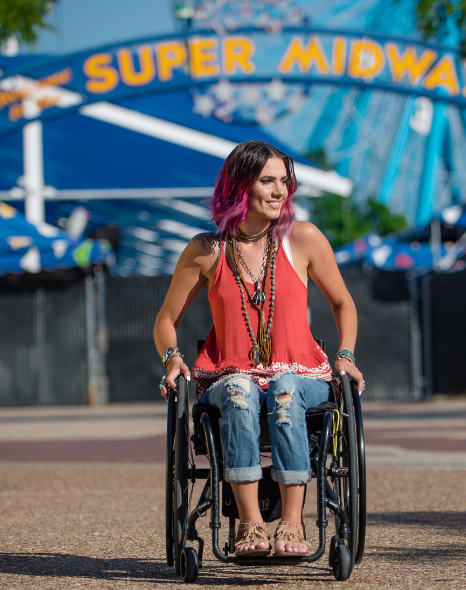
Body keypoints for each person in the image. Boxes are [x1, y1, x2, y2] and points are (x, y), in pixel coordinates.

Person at [154, 140, 365, 558]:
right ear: (239, 186)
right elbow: (165, 320)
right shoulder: (206, 250)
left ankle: (292, 521)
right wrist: (172, 359)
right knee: (239, 389)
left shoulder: (303, 238)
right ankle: (250, 526)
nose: (280, 191)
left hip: (303, 377)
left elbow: (344, 303)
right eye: (267, 181)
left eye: (284, 181)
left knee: (285, 386)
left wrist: (346, 355)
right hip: (227, 376)